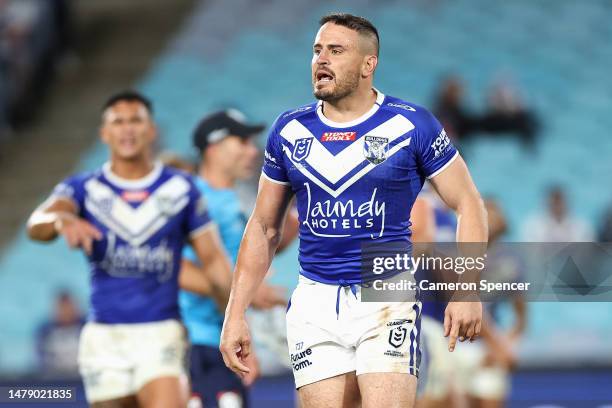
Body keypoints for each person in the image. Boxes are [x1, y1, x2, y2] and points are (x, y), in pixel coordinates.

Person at [220, 13, 487, 408]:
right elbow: (263, 227)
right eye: (316, 50)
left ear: (368, 64)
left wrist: (467, 290)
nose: (321, 60)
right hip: (314, 298)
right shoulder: (289, 131)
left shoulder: (412, 125)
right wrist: (235, 312)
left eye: (335, 50)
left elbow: (469, 202)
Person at [26, 90, 232, 408]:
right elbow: (37, 222)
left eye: (135, 120)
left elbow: (214, 259)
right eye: (117, 122)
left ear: (151, 130)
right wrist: (60, 221)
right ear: (104, 133)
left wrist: (233, 320)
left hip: (161, 331)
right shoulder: (83, 189)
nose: (127, 129)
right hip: (105, 338)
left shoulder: (180, 190)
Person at [179, 110, 297, 408]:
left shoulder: (232, 199)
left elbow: (246, 251)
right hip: (192, 343)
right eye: (242, 141)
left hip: (220, 338)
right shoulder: (190, 197)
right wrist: (248, 292)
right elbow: (174, 270)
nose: (252, 150)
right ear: (214, 147)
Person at [36, 290, 86, 378]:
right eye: (62, 308)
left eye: (69, 307)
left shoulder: (86, 328)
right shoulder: (46, 332)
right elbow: (42, 359)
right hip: (56, 380)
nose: (66, 312)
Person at [522, 185, 594, 242]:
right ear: (547, 204)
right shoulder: (534, 226)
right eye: (554, 203)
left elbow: (586, 252)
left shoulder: (581, 226)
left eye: (559, 203)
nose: (557, 206)